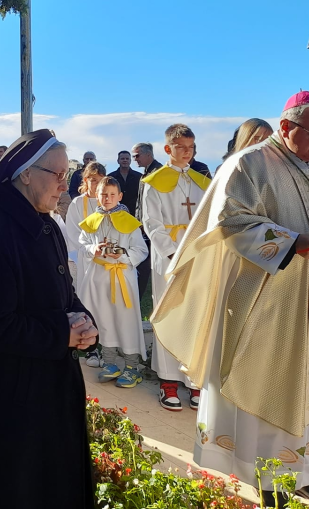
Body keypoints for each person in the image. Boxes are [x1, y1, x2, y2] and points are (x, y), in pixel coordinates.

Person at [153, 92, 309, 509]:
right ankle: (268, 478)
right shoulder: (247, 165)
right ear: (286, 127)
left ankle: (308, 474)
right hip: (270, 299)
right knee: (269, 381)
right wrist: (290, 242)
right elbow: (231, 221)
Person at [0, 130, 97, 509]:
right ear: (26, 173)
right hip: (8, 403)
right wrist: (61, 333)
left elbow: (64, 293)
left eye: (69, 174)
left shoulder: (45, 223)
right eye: (58, 174)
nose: (66, 185)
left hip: (45, 392)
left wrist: (84, 323)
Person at [141, 123, 210, 412]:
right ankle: (168, 381)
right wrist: (172, 254)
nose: (187, 152)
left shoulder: (201, 180)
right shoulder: (154, 182)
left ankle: (194, 381)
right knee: (169, 315)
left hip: (198, 257)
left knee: (196, 317)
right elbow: (152, 223)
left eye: (191, 147)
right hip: (169, 260)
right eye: (181, 147)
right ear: (168, 148)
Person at [76, 176, 148, 389]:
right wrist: (92, 249)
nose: (107, 198)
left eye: (111, 195)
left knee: (125, 321)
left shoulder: (129, 222)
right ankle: (109, 363)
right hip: (99, 278)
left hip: (122, 278)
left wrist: (124, 256)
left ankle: (131, 366)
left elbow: (141, 250)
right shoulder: (91, 221)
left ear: (120, 196)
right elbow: (82, 245)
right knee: (104, 319)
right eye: (103, 194)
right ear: (97, 196)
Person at [62, 161, 106, 367]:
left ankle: (109, 346)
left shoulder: (107, 202)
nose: (96, 185)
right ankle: (91, 350)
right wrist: (90, 251)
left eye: (100, 181)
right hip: (82, 259)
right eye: (93, 180)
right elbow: (73, 234)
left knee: (105, 303)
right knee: (87, 302)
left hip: (105, 262)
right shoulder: (77, 204)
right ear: (85, 180)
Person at [132, 141, 164, 300]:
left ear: (148, 154)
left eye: (137, 155)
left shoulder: (159, 172)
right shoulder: (145, 173)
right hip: (143, 227)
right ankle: (137, 299)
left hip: (156, 228)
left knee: (155, 266)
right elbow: (140, 203)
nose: (134, 159)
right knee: (143, 267)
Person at [109, 150, 142, 214]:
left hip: (135, 212)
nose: (125, 160)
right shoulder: (110, 177)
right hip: (115, 211)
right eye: (122, 159)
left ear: (130, 161)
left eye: (127, 159)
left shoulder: (139, 177)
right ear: (118, 161)